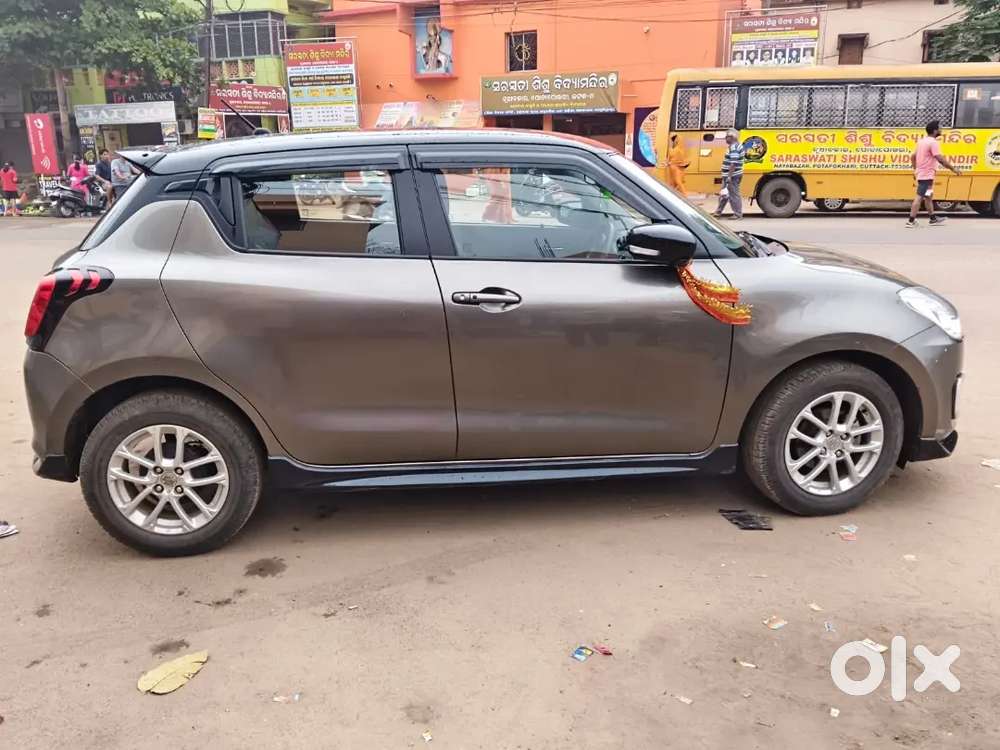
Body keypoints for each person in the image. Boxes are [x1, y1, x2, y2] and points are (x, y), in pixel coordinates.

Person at [907, 119, 962, 228]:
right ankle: (911, 221)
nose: (941, 130)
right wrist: (953, 169)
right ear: (935, 130)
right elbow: (940, 159)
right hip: (926, 175)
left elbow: (913, 157)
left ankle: (933, 219)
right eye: (939, 128)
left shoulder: (922, 141)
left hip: (924, 174)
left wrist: (916, 170)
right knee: (919, 197)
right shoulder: (933, 142)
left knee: (928, 196)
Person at [714, 129, 745, 220]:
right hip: (731, 175)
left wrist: (729, 176)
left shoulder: (734, 147)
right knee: (724, 194)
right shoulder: (737, 146)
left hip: (732, 175)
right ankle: (718, 213)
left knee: (733, 195)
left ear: (732, 137)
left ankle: (738, 214)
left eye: (726, 137)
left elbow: (733, 163)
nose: (725, 139)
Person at [667, 133, 689, 197]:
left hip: (677, 167)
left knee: (678, 181)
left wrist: (670, 162)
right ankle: (674, 194)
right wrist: (668, 163)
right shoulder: (672, 149)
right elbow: (669, 158)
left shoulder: (679, 149)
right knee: (673, 182)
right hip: (672, 167)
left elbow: (680, 159)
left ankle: (684, 194)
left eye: (673, 139)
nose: (673, 141)